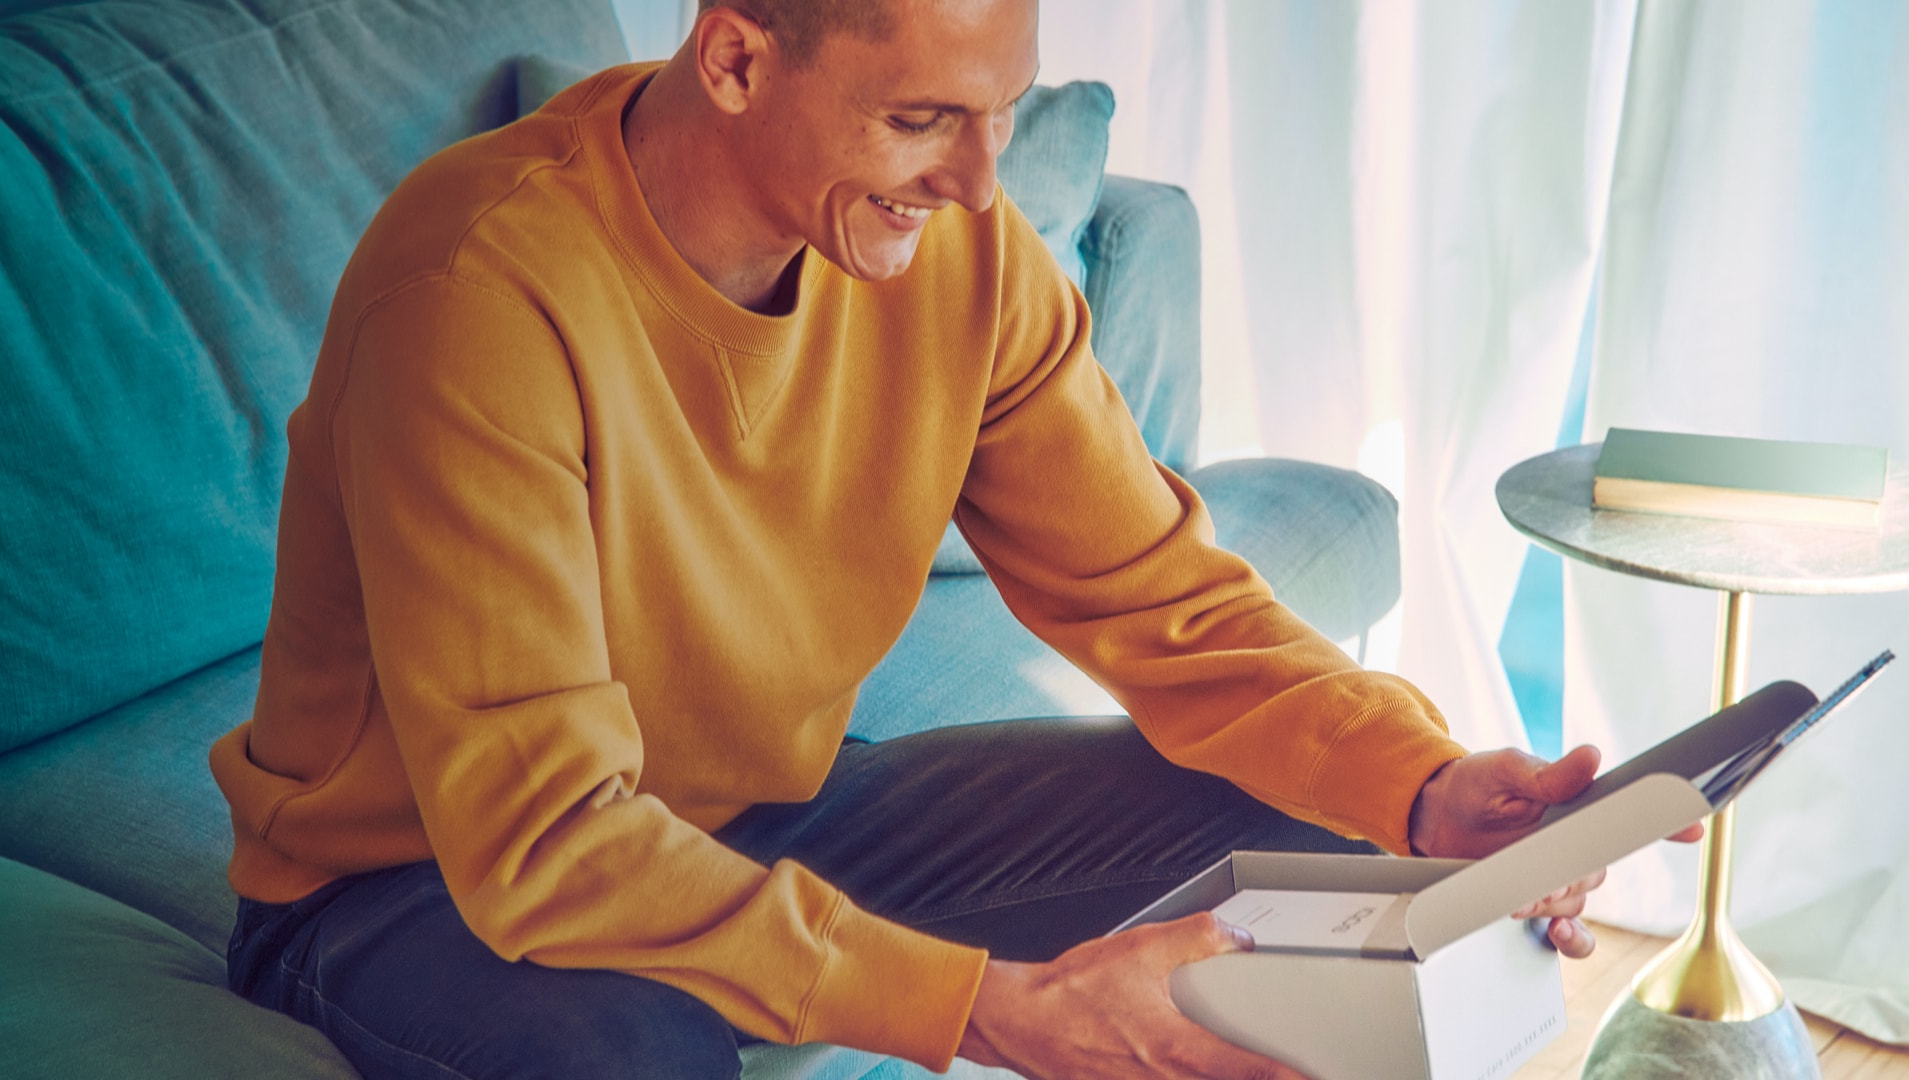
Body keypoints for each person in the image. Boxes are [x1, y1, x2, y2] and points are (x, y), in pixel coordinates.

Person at [209, 0, 1695, 1077]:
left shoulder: (962, 256)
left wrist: (1429, 789)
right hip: (422, 891)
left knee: (1318, 849)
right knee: (627, 1049)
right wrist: (993, 1005)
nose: (983, 186)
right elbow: (541, 841)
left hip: (759, 819)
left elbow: (1160, 598)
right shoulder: (481, 291)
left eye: (1002, 112)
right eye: (920, 120)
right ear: (731, 55)